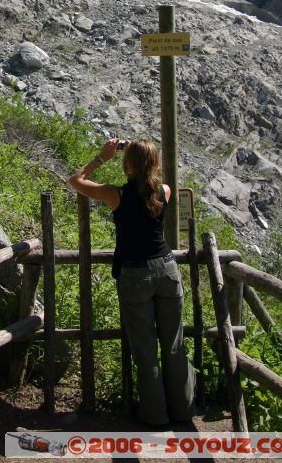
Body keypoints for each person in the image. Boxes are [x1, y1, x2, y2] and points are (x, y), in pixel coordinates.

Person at [68, 137, 195, 426]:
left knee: (145, 349)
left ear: (128, 164)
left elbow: (76, 180)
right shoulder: (164, 191)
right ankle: (184, 411)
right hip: (167, 270)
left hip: (136, 274)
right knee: (174, 346)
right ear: (155, 163)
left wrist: (103, 157)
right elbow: (150, 184)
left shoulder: (116, 195)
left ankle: (155, 416)